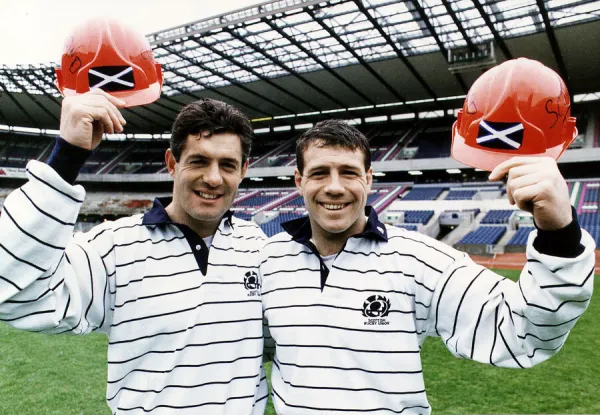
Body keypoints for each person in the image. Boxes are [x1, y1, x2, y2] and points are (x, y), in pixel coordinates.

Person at [259, 119, 595, 414]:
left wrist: (559, 232)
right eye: (319, 173)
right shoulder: (268, 260)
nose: (334, 186)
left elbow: (523, 332)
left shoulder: (418, 260)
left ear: (369, 179)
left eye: (349, 172)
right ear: (298, 181)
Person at [0, 89, 269, 414]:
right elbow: (16, 295)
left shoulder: (262, 250)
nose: (213, 178)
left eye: (227, 165)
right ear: (171, 163)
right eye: (199, 161)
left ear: (243, 170)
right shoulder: (114, 247)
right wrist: (66, 156)